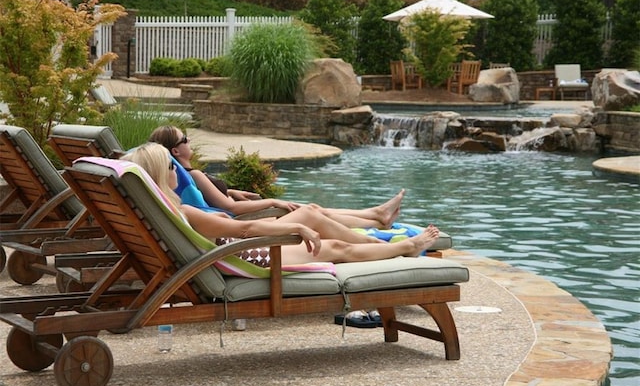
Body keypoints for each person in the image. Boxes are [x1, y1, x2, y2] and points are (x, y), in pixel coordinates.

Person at [120, 143, 441, 266]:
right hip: (244, 255)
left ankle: (384, 235)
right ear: (162, 175)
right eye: (170, 165)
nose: (177, 170)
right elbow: (245, 228)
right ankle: (405, 248)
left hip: (228, 253)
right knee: (336, 249)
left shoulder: (157, 212)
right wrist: (298, 226)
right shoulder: (183, 212)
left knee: (325, 234)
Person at [148, 125, 403, 229]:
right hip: (241, 222)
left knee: (314, 209)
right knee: (313, 211)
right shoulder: (192, 174)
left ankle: (374, 214)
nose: (189, 140)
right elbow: (229, 208)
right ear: (175, 150)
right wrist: (272, 202)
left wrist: (232, 189)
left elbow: (221, 198)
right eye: (185, 139)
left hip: (233, 217)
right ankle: (375, 221)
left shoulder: (182, 175)